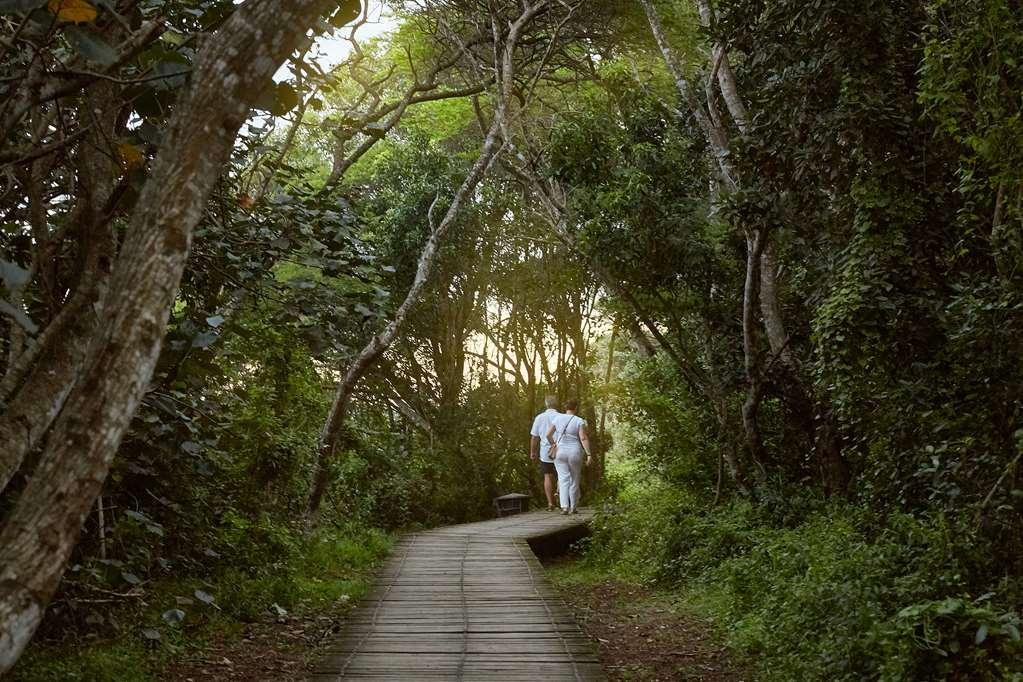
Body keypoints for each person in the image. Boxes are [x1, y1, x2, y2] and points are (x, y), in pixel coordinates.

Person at [545, 399, 592, 515]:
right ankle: (573, 507)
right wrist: (589, 454)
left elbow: (548, 434)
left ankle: (564, 507)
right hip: (574, 452)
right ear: (575, 408)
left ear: (565, 408)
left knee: (563, 479)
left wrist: (553, 444)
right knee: (575, 479)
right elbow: (583, 438)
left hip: (560, 452)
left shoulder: (558, 418)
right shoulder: (579, 420)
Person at [529, 395, 560, 511]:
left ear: (546, 404)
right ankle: (558, 493)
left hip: (545, 451)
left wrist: (532, 452)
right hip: (560, 449)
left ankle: (550, 503)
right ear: (556, 404)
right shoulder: (561, 417)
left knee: (547, 476)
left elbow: (534, 437)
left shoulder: (539, 418)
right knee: (562, 474)